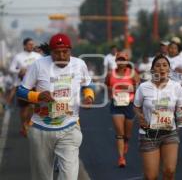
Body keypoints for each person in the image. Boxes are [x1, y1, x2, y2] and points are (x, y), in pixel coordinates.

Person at [16, 33, 95, 180]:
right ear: (50, 52)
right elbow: (21, 91)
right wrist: (38, 96)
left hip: (70, 127)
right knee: (43, 176)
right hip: (41, 129)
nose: (61, 56)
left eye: (65, 52)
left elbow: (88, 84)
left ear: (70, 51)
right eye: (57, 53)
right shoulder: (38, 65)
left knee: (69, 177)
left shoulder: (79, 64)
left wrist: (89, 96)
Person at [133, 54, 182, 180]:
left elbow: (181, 108)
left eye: (164, 65)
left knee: (170, 171)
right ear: (152, 70)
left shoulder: (176, 87)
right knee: (151, 176)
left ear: (169, 69)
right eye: (158, 66)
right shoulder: (143, 87)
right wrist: (140, 117)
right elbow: (136, 106)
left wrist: (180, 124)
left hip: (169, 132)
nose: (161, 68)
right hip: (149, 134)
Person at [105, 52, 140, 167]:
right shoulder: (111, 74)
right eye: (119, 60)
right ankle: (121, 158)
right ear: (116, 61)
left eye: (123, 60)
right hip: (116, 105)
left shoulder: (132, 73)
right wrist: (111, 90)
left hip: (129, 104)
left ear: (127, 62)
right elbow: (106, 84)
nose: (121, 62)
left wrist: (128, 88)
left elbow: (139, 87)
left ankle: (126, 142)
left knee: (127, 134)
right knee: (119, 133)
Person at [9, 37, 42, 136]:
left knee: (32, 106)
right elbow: (11, 68)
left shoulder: (38, 56)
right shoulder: (18, 57)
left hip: (34, 85)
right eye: (29, 44)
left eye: (32, 44)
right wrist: (20, 70)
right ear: (24, 46)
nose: (31, 46)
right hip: (22, 85)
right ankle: (23, 124)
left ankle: (28, 123)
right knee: (24, 108)